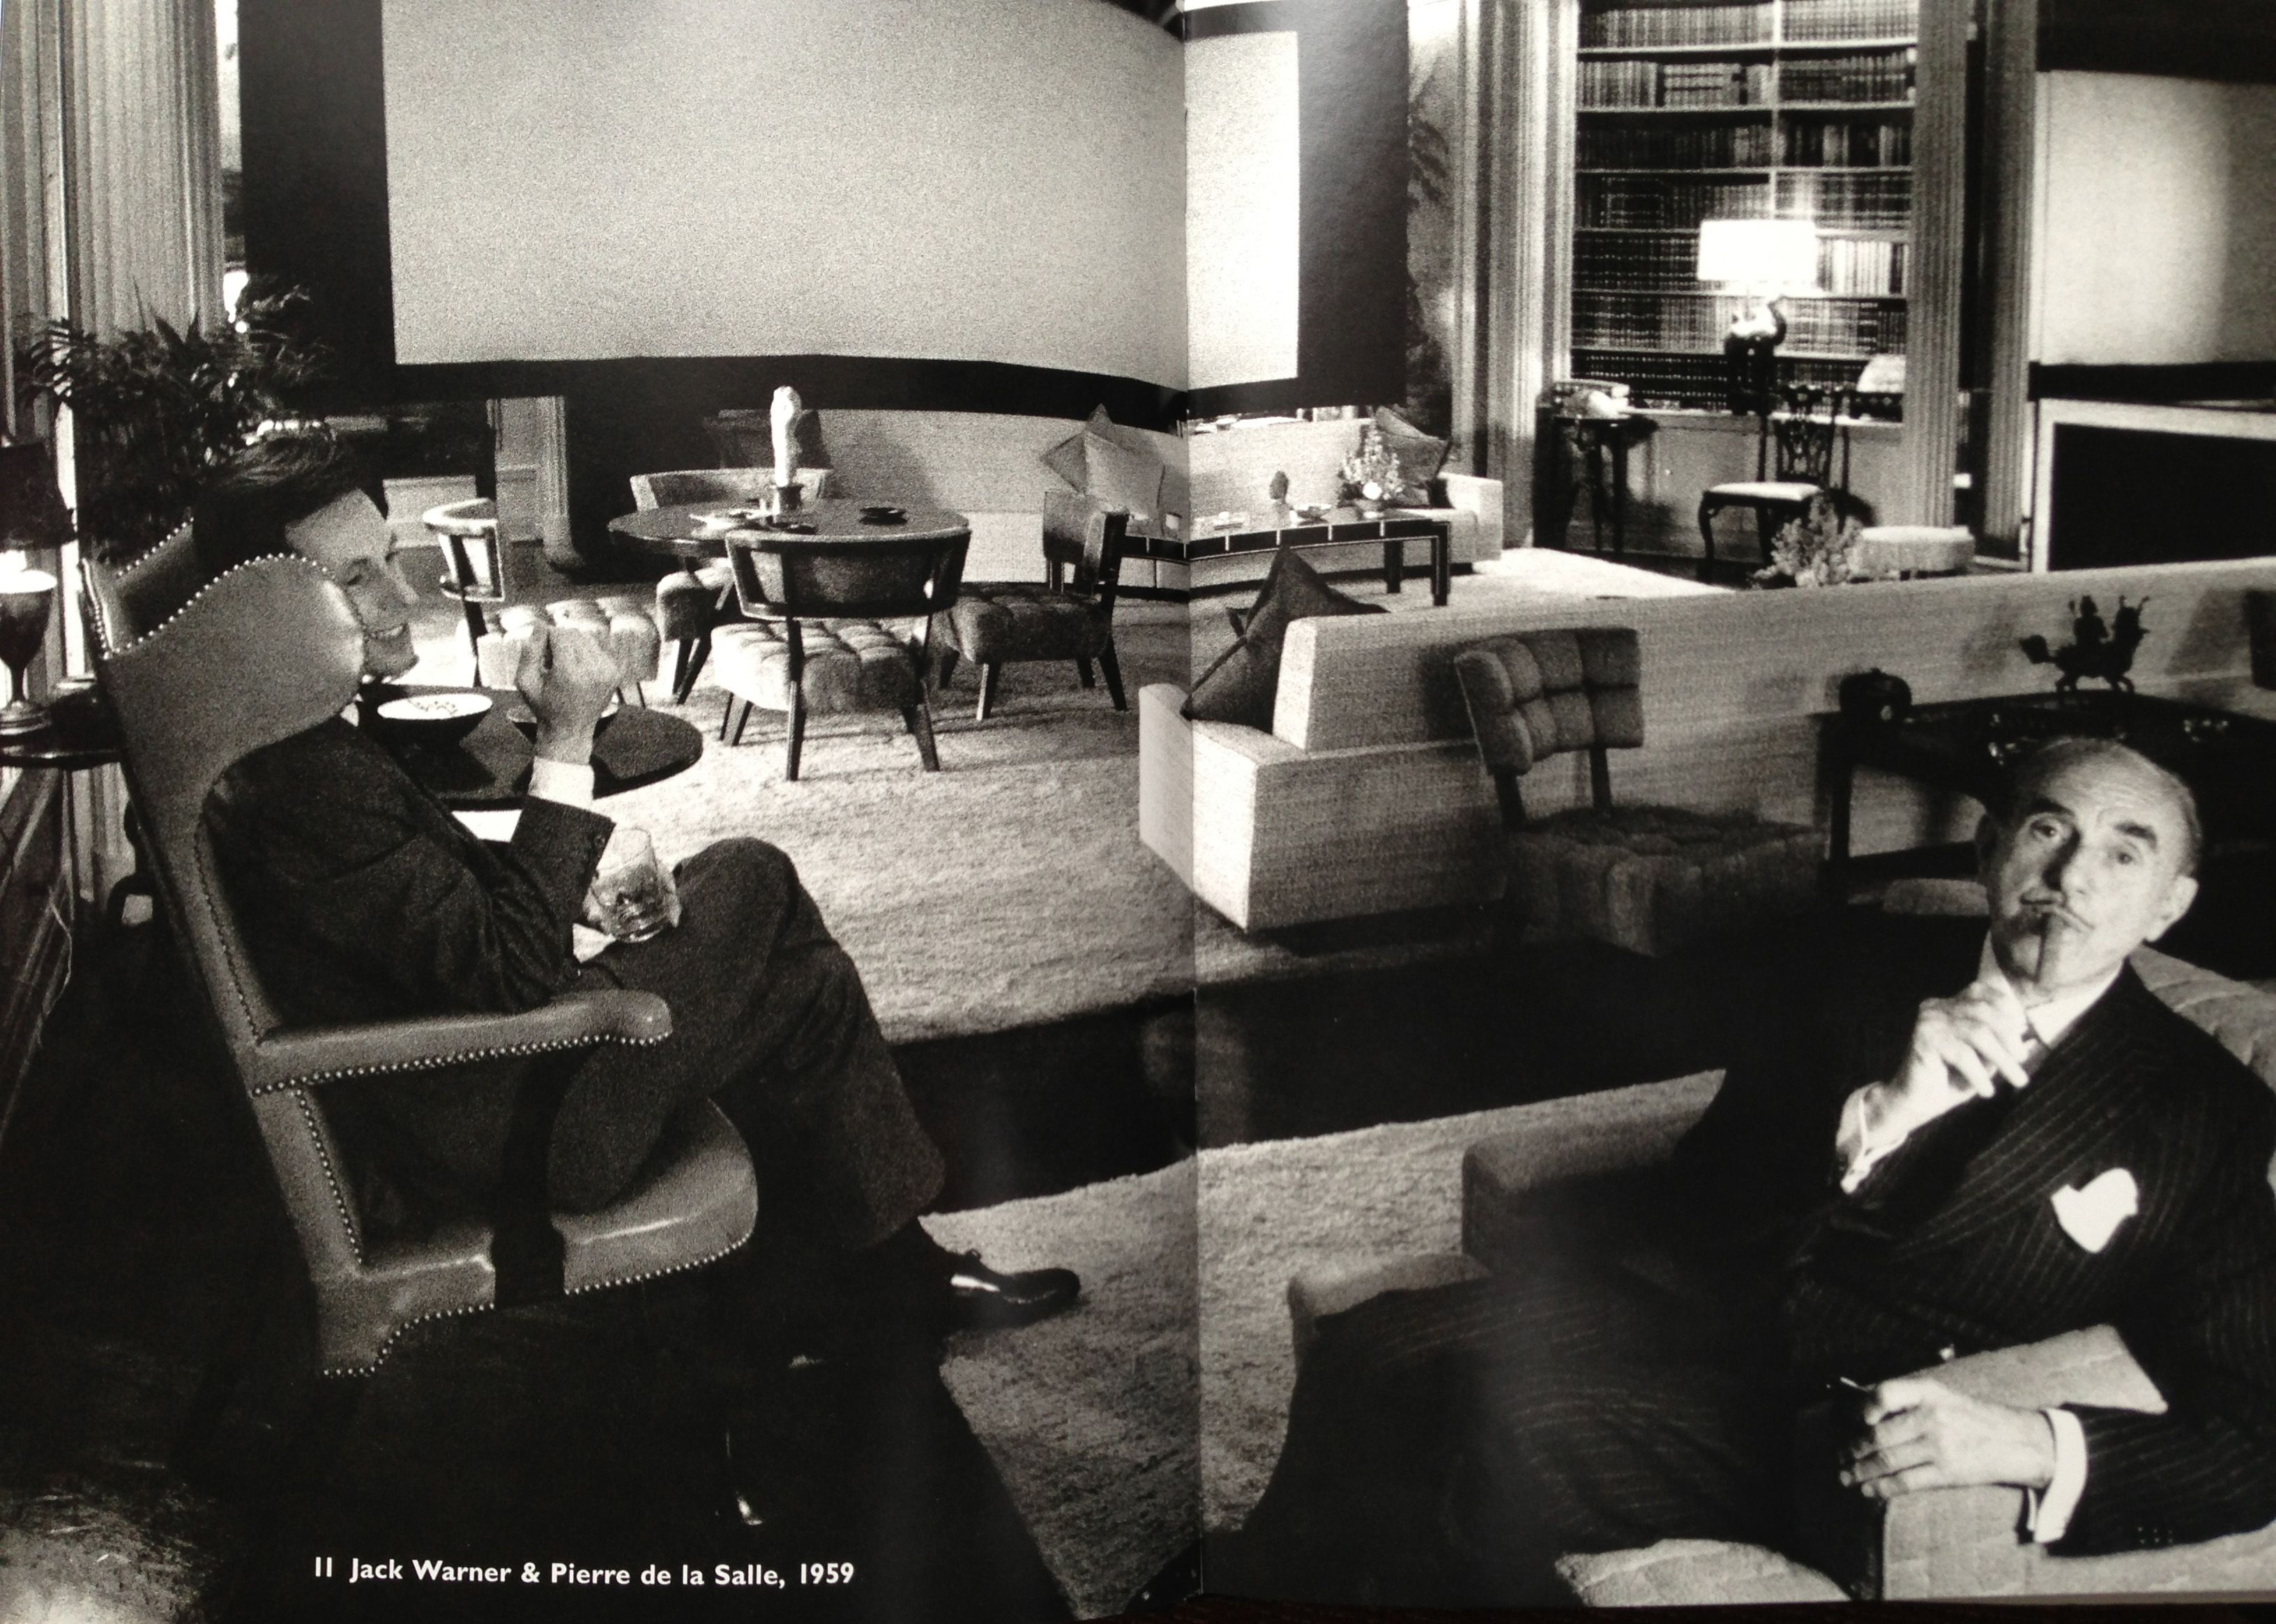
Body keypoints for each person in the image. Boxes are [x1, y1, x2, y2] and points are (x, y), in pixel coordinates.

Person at [1209, 736, 2276, 1605]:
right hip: (1695, 1306)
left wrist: (2031, 1441)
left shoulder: (2211, 1114)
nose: (2073, 877)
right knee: (1373, 1345)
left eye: (2124, 854)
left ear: (2170, 905)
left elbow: (2256, 1436)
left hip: (1822, 1419)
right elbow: (1708, 1181)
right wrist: (1882, 1112)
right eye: (2049, 829)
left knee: (1503, 1437)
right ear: (1989, 847)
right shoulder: (1857, 967)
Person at [188, 434, 1079, 1362]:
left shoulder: (282, 739)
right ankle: (864, 1287)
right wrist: (565, 741)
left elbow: (416, 915)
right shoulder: (305, 779)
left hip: (493, 1078)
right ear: (266, 618)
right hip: (518, 1122)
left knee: (808, 988)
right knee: (753, 872)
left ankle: (886, 1279)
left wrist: (570, 891)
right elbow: (508, 973)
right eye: (356, 580)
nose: (403, 596)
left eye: (387, 560)